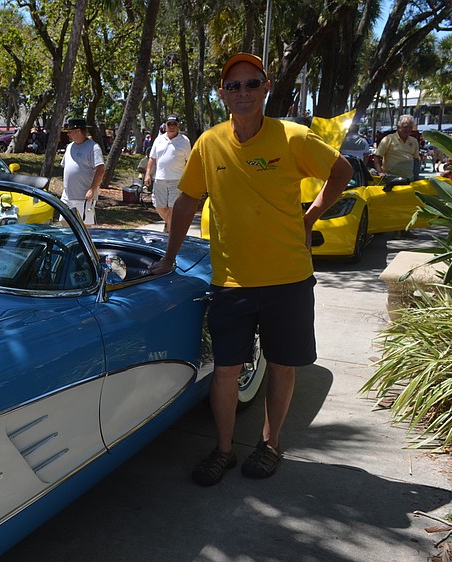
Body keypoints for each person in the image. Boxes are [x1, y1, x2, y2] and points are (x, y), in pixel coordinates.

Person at [149, 52, 352, 486]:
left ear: (266, 88)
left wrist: (311, 216)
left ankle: (270, 444)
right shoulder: (208, 142)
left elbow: (342, 170)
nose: (242, 92)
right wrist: (169, 256)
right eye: (234, 85)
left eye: (251, 83)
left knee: (281, 365)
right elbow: (186, 200)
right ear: (223, 94)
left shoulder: (293, 137)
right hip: (231, 281)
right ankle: (223, 451)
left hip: (288, 279)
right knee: (226, 370)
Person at [143, 115, 191, 232]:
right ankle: (174, 225)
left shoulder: (184, 141)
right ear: (165, 126)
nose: (172, 127)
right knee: (159, 207)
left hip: (177, 180)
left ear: (178, 126)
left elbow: (189, 161)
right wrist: (147, 174)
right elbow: (152, 158)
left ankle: (169, 236)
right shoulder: (159, 140)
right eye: (169, 124)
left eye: (174, 124)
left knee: (173, 208)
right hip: (160, 179)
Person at [61, 117, 105, 225]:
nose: (68, 134)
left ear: (78, 131)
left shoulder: (93, 147)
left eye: (70, 131)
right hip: (67, 197)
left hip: (84, 198)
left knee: (84, 230)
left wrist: (92, 189)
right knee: (65, 227)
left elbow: (100, 169)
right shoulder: (69, 147)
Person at [374, 115, 420, 180]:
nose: (408, 129)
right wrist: (380, 172)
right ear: (398, 127)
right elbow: (377, 156)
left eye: (410, 127)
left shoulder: (414, 141)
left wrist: (416, 177)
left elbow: (416, 160)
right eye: (405, 127)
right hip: (391, 177)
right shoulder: (388, 139)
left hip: (409, 178)